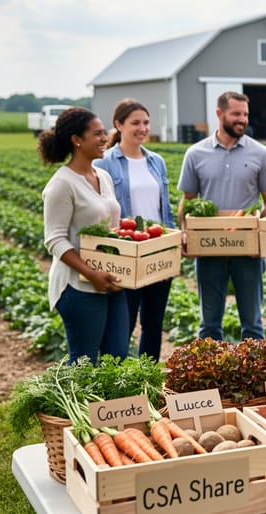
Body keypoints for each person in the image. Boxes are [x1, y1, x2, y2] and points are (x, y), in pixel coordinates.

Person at [177, 91, 266, 340]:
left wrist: (259, 235)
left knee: (252, 324)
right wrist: (185, 233)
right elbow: (186, 203)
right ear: (219, 114)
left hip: (247, 251)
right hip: (209, 249)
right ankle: (209, 375)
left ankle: (255, 376)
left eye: (245, 114)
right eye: (236, 114)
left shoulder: (260, 153)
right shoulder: (196, 154)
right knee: (209, 325)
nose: (242, 119)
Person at [40, 107, 130, 364]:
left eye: (104, 132)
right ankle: (77, 405)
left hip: (112, 279)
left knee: (118, 356)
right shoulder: (62, 184)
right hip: (78, 285)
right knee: (84, 361)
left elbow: (110, 224)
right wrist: (91, 274)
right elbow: (55, 240)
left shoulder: (102, 175)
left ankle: (110, 405)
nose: (105, 138)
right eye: (97, 134)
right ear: (76, 140)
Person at [94, 99, 175, 360]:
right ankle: (119, 382)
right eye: (135, 123)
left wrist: (172, 244)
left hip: (156, 248)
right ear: (118, 124)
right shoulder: (105, 162)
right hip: (125, 252)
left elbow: (166, 206)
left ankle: (147, 377)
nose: (142, 128)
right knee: (123, 324)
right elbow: (100, 210)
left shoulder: (156, 161)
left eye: (146, 123)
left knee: (153, 324)